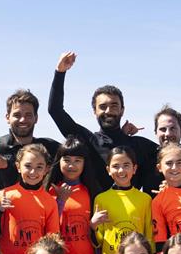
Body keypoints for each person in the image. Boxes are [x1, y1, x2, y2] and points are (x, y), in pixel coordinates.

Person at [47, 51, 158, 191]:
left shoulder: (139, 145)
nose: (108, 111)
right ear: (94, 111)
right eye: (103, 107)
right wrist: (60, 72)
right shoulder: (87, 141)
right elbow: (55, 111)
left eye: (114, 106)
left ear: (122, 110)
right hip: (96, 212)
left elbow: (171, 154)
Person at [0, 144, 59, 254]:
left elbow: (52, 241)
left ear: (46, 170)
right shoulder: (5, 195)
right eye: (28, 166)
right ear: (18, 167)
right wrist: (0, 211)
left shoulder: (49, 201)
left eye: (39, 167)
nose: (33, 172)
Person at [46, 136, 102, 254]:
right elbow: (48, 226)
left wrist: (93, 226)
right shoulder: (49, 191)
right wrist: (61, 200)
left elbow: (99, 236)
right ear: (59, 161)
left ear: (85, 163)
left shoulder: (91, 191)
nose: (72, 165)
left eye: (78, 160)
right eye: (67, 159)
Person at [93, 146, 154, 254]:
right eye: (116, 166)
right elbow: (99, 241)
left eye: (126, 165)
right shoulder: (101, 199)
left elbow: (149, 237)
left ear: (134, 168)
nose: (121, 170)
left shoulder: (144, 199)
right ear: (108, 170)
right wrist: (93, 225)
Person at [0, 89, 62, 191]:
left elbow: (79, 158)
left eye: (28, 115)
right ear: (7, 118)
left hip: (45, 206)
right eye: (17, 115)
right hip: (4, 206)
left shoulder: (50, 148)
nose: (23, 120)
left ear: (36, 118)